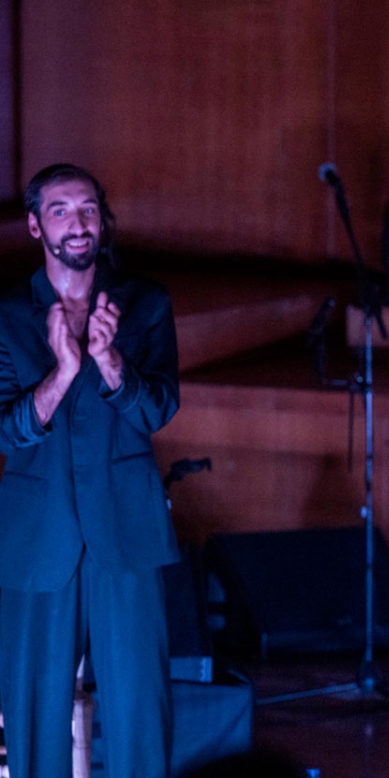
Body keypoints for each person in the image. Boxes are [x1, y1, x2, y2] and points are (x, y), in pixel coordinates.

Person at [0, 164, 180, 778]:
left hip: (126, 531)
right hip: (35, 536)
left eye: (87, 209)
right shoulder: (8, 314)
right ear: (34, 224)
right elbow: (6, 429)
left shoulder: (145, 303)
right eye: (60, 210)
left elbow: (157, 408)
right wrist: (62, 374)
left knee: (140, 714)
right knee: (32, 718)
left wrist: (108, 363)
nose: (77, 224)